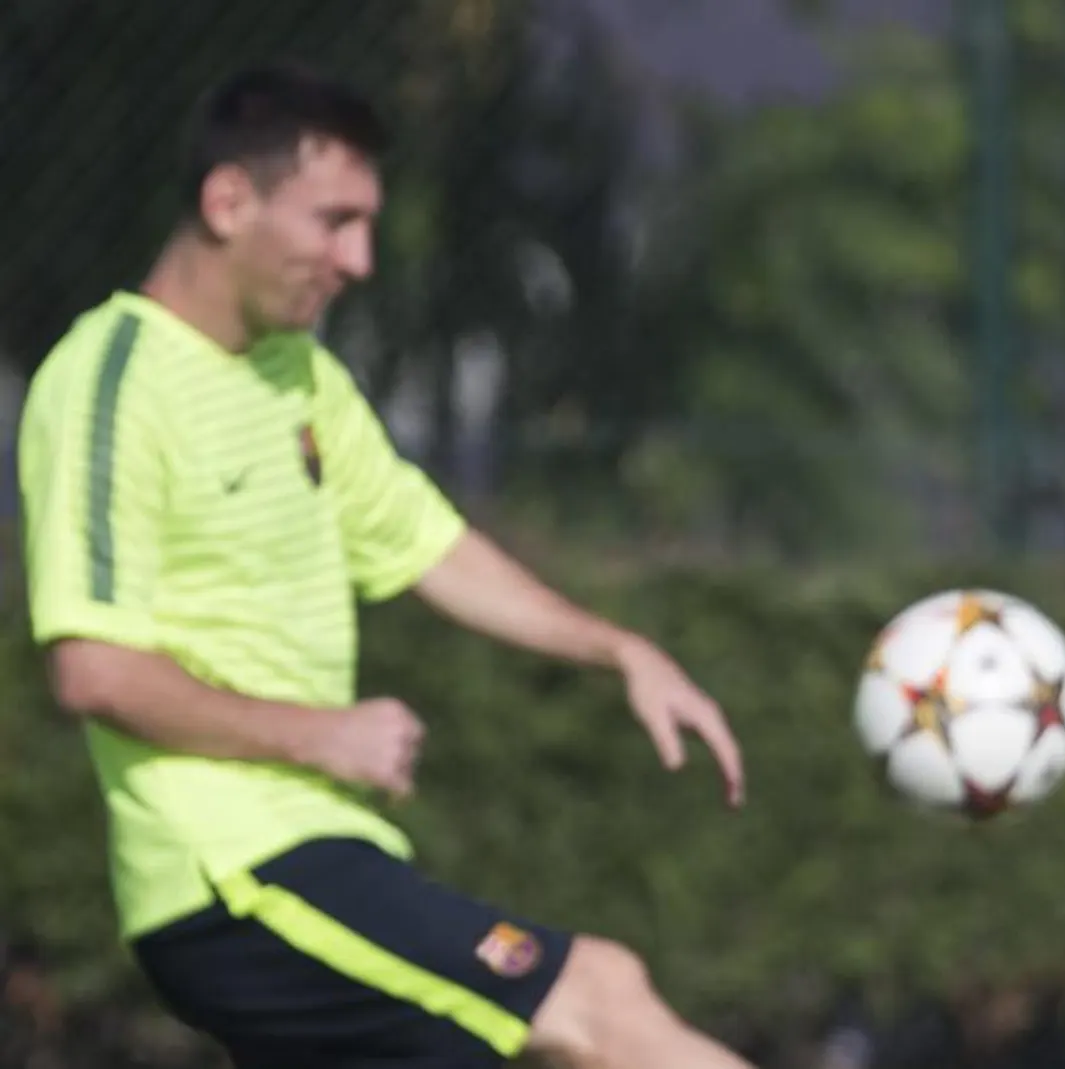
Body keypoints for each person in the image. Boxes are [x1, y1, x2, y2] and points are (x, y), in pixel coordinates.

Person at [16, 61, 758, 1069]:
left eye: (368, 224)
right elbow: (93, 670)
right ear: (229, 201)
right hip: (235, 872)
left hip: (318, 855)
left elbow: (428, 545)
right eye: (334, 221)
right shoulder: (114, 379)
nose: (360, 258)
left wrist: (618, 646)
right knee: (597, 993)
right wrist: (318, 736)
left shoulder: (301, 377)